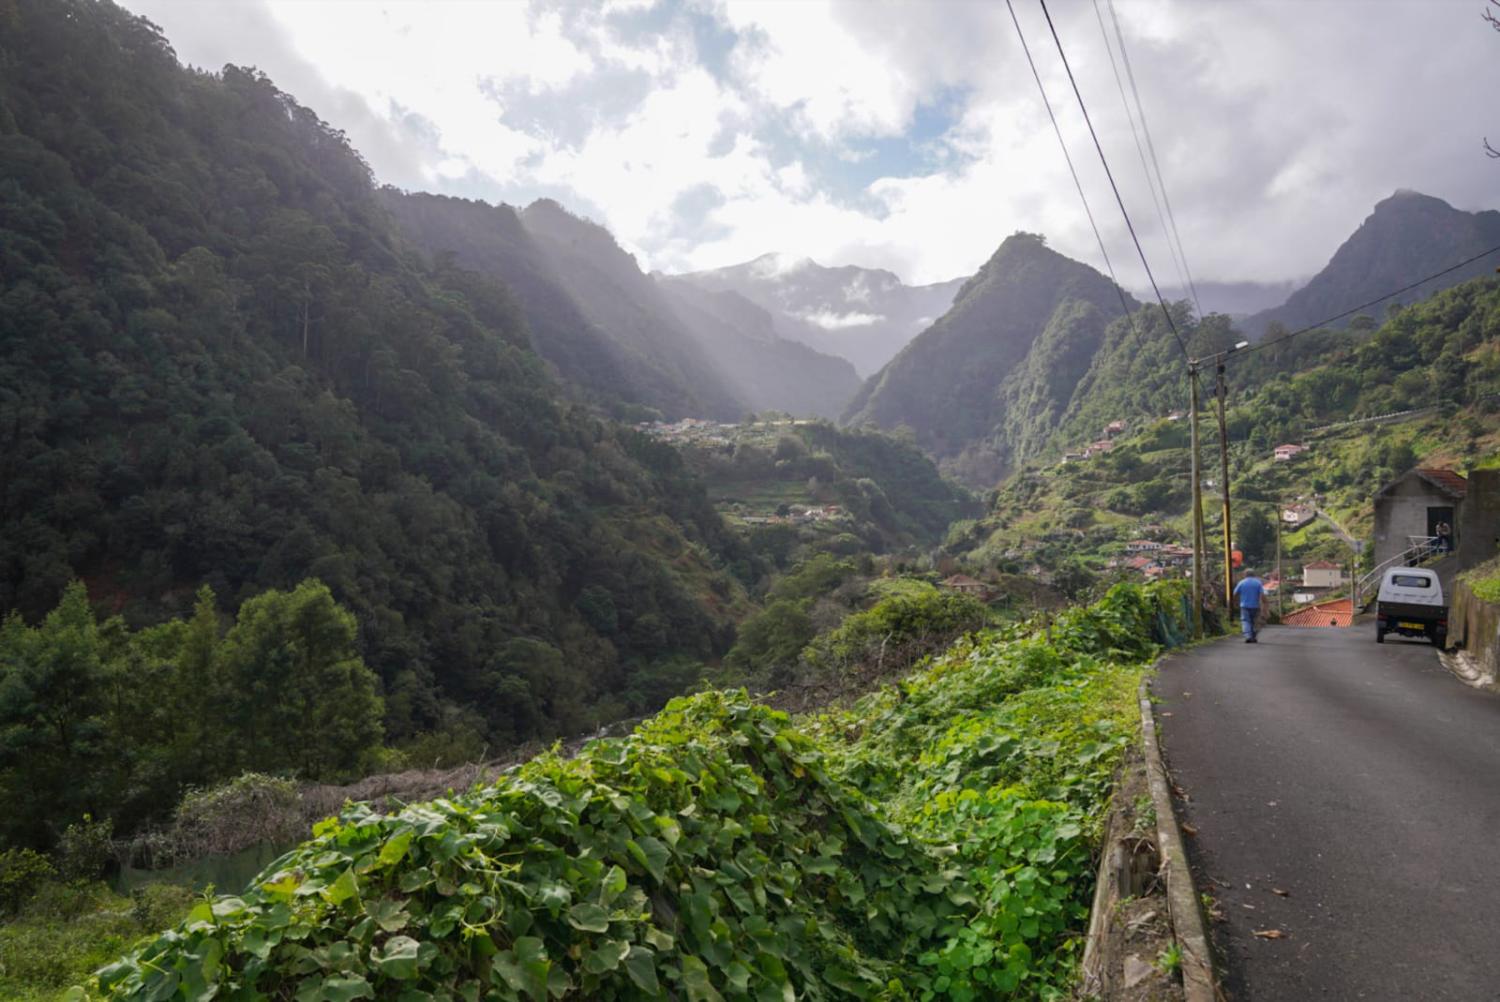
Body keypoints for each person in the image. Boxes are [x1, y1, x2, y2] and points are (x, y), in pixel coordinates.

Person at [1233, 568, 1265, 643]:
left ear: (1245, 575)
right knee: (1255, 622)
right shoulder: (1258, 583)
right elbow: (1262, 595)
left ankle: (1248, 636)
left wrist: (1235, 602)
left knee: (1246, 621)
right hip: (1256, 606)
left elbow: (1235, 594)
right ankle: (1253, 636)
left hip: (1244, 606)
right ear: (1254, 575)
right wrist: (1263, 604)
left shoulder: (1241, 582)